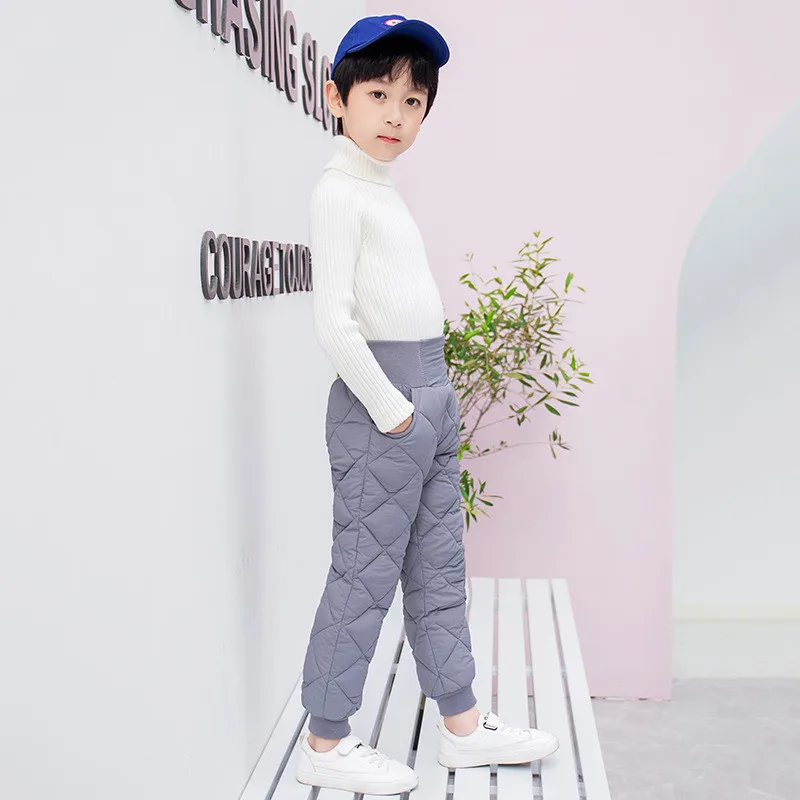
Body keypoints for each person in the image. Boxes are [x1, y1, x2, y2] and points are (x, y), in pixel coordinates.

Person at [295, 14, 560, 795]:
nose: (396, 115)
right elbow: (333, 323)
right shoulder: (338, 193)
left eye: (413, 102)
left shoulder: (381, 191)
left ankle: (462, 727)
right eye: (378, 94)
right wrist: (393, 412)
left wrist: (427, 407)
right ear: (337, 97)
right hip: (387, 407)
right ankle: (325, 739)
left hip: (429, 397)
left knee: (440, 573)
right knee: (362, 578)